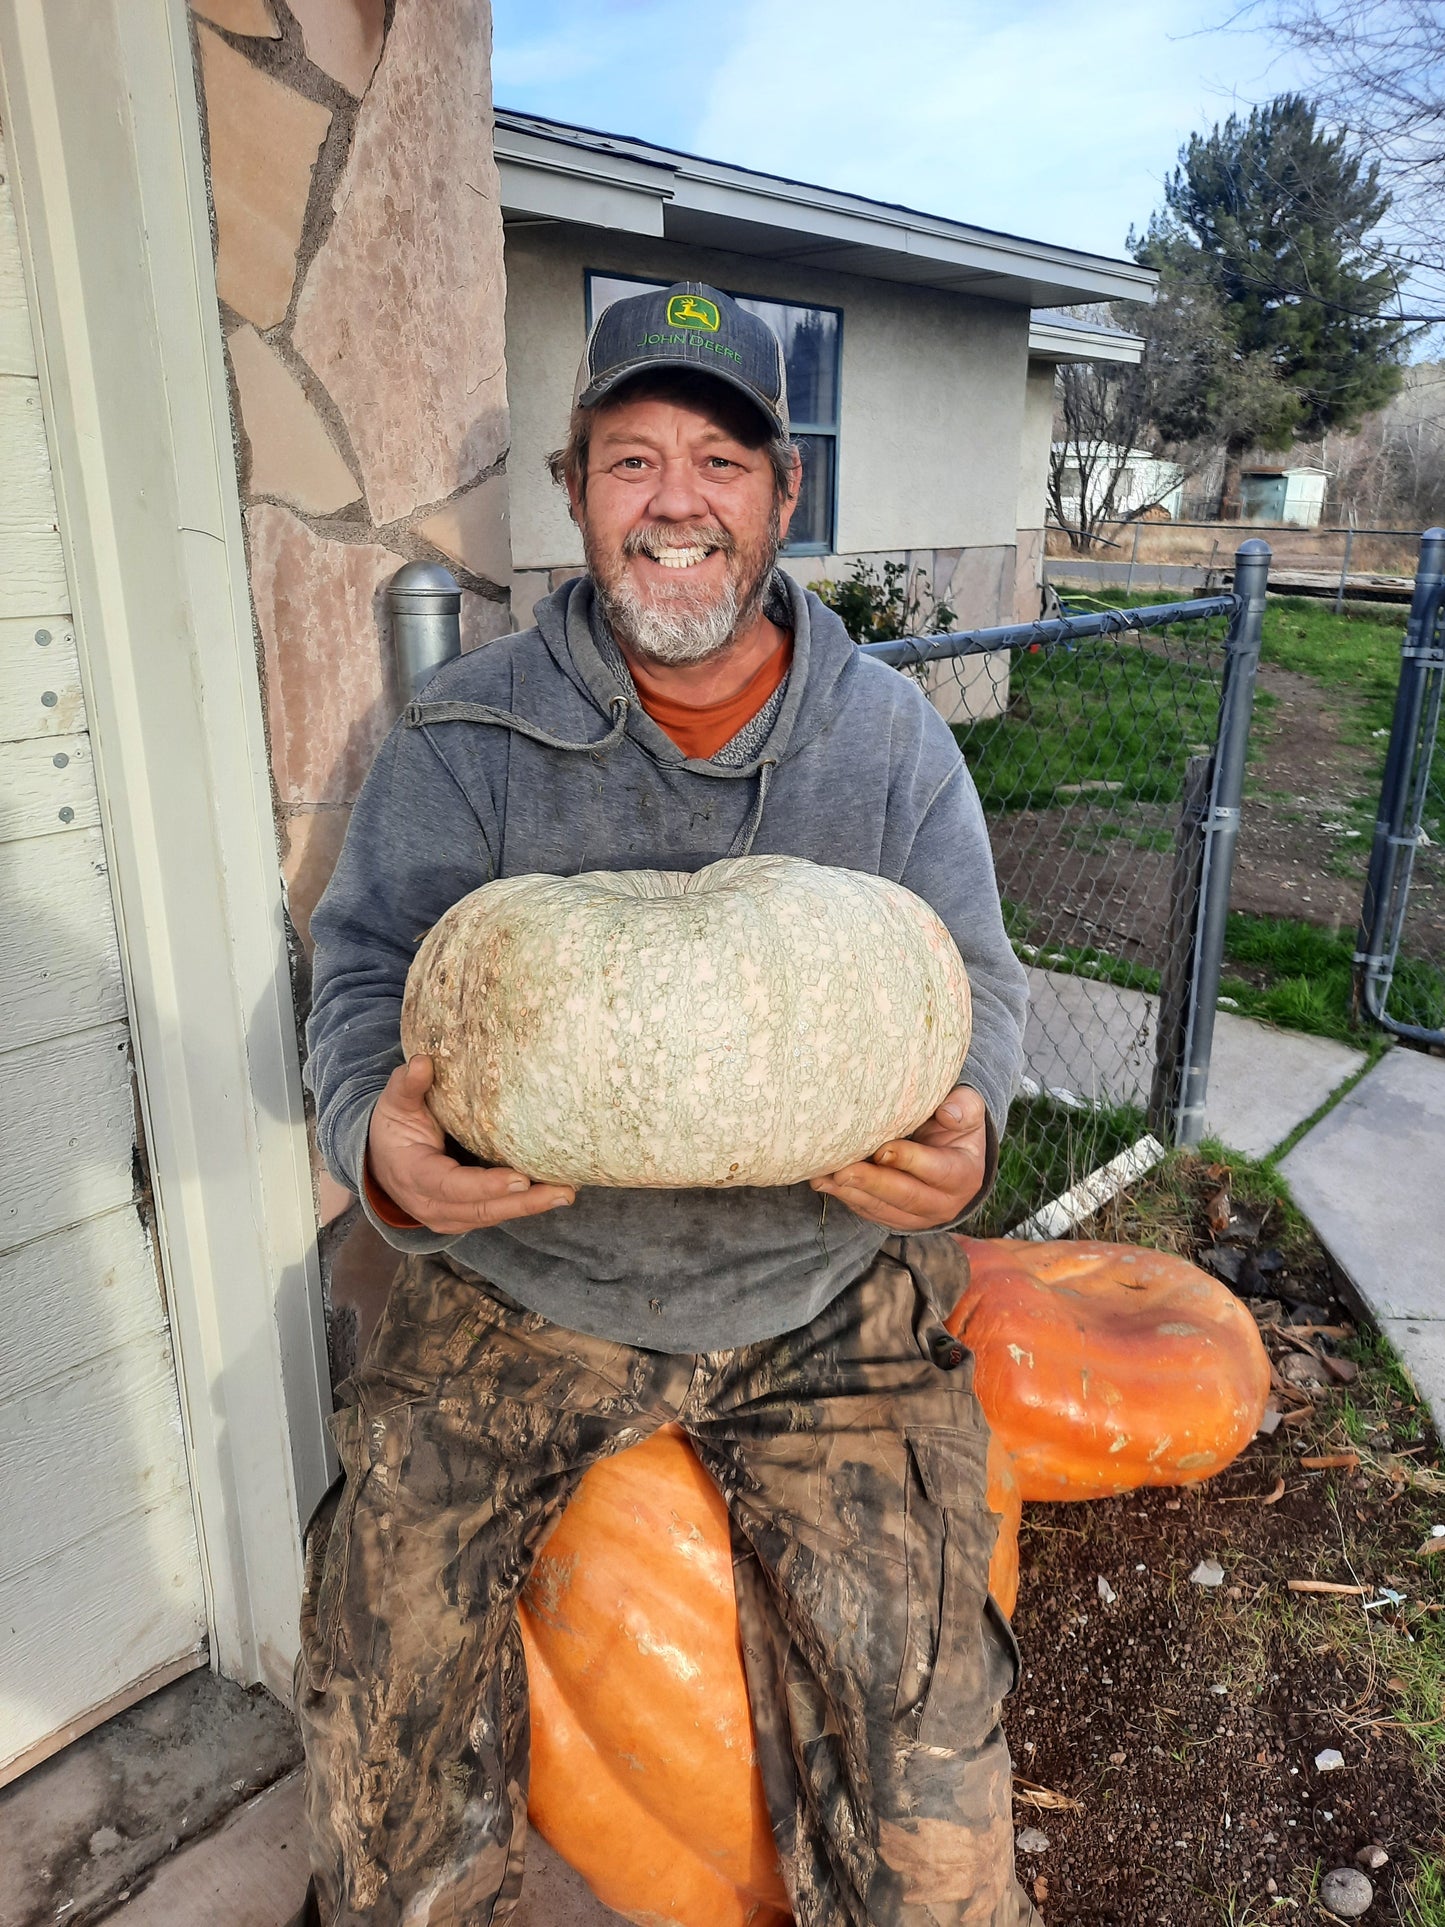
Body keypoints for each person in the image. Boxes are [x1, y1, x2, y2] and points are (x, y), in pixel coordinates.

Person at [295, 281, 1034, 1926]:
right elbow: (356, 979)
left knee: (925, 1728)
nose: (675, 502)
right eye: (631, 460)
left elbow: (980, 983)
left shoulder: (891, 741)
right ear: (575, 496)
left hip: (820, 1288)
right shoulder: (466, 734)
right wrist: (378, 1141)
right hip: (527, 1287)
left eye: (718, 459)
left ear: (782, 495)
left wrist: (971, 1111)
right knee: (380, 1658)